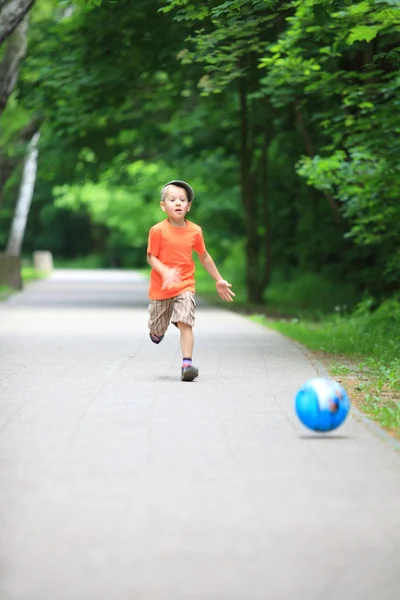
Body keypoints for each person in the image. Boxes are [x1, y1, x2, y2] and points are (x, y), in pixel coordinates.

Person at [147, 179, 235, 382]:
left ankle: (187, 364)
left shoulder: (195, 231)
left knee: (185, 321)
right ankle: (156, 330)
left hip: (184, 284)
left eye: (182, 199)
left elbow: (204, 255)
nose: (177, 203)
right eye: (172, 199)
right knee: (157, 329)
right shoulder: (157, 230)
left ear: (188, 206)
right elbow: (151, 257)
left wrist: (219, 279)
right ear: (163, 206)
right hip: (161, 289)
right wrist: (165, 271)